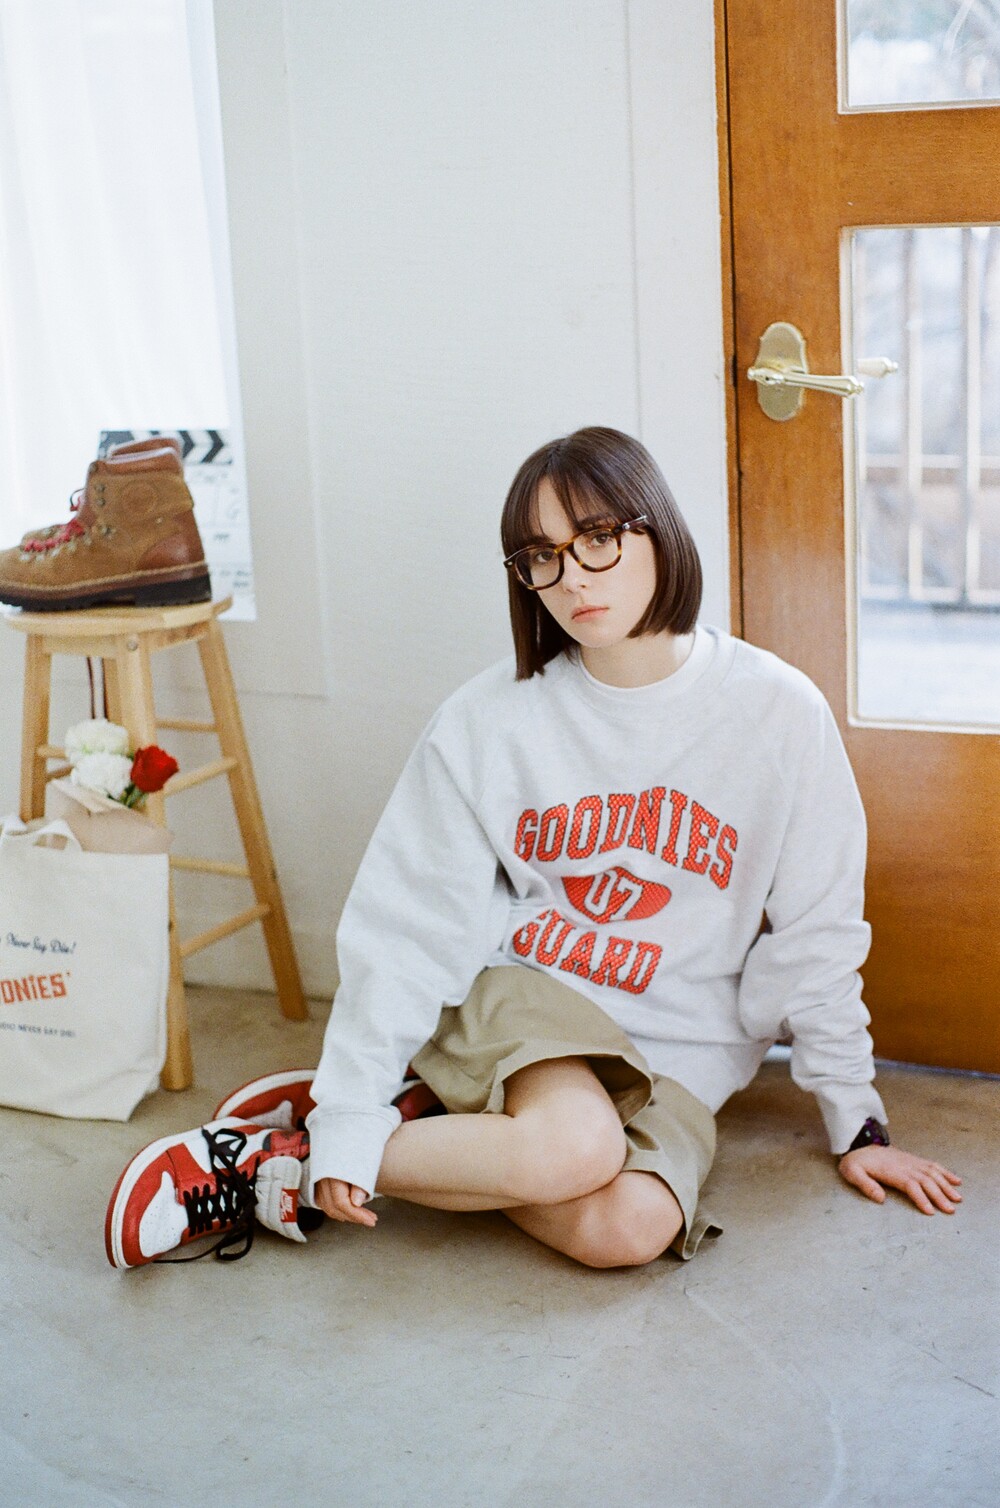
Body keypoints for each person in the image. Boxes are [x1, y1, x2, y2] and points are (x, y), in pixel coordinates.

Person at [105, 427, 962, 1270]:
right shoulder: (490, 720)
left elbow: (817, 931)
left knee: (626, 1230)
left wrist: (859, 1123)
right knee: (574, 1150)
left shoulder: (778, 711)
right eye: (541, 556)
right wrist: (352, 1103)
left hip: (683, 1051)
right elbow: (407, 922)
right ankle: (278, 1162)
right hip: (533, 1001)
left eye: (598, 539)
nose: (573, 577)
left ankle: (389, 1134)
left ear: (659, 530)